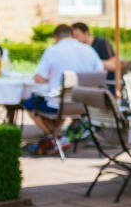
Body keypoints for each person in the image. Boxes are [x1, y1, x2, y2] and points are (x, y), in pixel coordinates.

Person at [23, 24, 103, 154]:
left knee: (29, 104)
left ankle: (55, 137)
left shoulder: (52, 51)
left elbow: (39, 79)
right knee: (58, 100)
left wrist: (50, 77)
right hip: (85, 105)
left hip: (61, 104)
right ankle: (53, 138)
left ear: (55, 37)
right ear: (72, 35)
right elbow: (100, 74)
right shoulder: (88, 50)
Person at [71, 22, 116, 88]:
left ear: (86, 33)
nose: (75, 39)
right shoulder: (76, 48)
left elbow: (113, 65)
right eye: (73, 37)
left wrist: (94, 62)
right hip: (85, 83)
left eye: (77, 36)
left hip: (105, 84)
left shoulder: (102, 43)